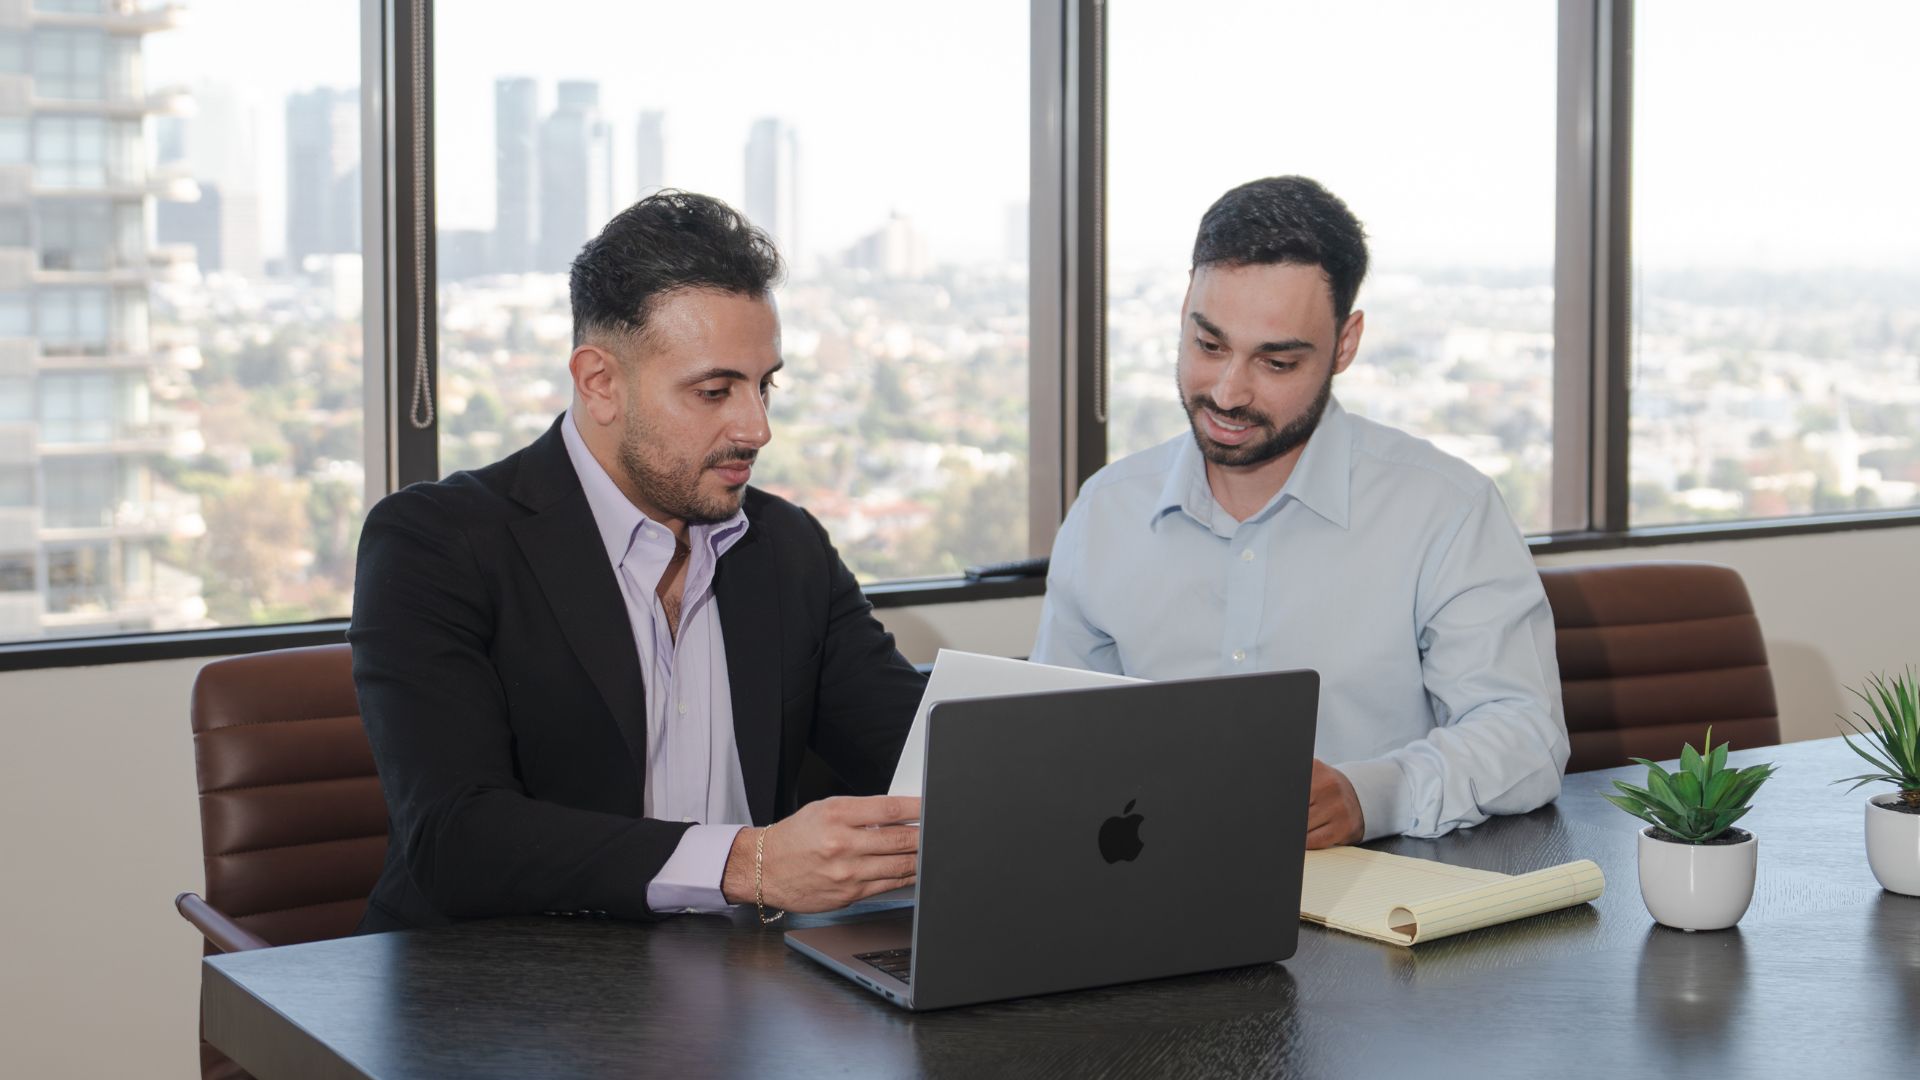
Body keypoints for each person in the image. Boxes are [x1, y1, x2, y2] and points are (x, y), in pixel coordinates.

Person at [350, 191, 925, 931]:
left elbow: (915, 756)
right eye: (714, 391)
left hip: (739, 979)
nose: (756, 427)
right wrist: (747, 864)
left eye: (765, 386)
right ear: (600, 383)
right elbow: (456, 837)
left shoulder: (788, 548)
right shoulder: (436, 543)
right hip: (499, 982)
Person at [1031, 176, 1567, 848]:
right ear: (1185, 309)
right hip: (1146, 887)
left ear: (1345, 344)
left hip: (1379, 896)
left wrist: (1371, 796)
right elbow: (1049, 741)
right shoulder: (1106, 512)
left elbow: (1525, 736)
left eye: (1277, 362)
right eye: (1209, 346)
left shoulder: (1447, 510)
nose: (1229, 393)